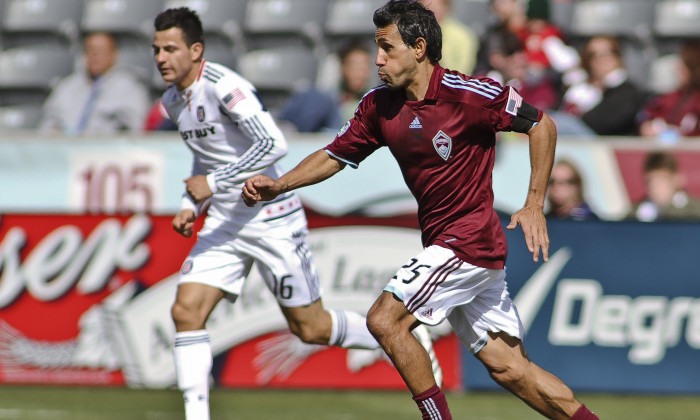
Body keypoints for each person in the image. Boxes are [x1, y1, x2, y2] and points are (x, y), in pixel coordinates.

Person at [243, 2, 598, 419]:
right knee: (511, 369)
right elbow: (334, 155)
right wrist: (280, 184)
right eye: (376, 48)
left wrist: (534, 203)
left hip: (468, 240)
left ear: (418, 47)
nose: (378, 59)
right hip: (452, 245)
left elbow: (542, 125)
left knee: (385, 320)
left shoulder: (469, 95)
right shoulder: (378, 106)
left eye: (386, 48)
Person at [151, 8, 441, 420]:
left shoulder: (224, 87)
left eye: (171, 49)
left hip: (272, 218)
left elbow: (273, 145)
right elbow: (205, 159)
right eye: (156, 50)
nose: (162, 58)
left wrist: (213, 186)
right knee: (186, 311)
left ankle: (404, 337)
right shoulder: (172, 101)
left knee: (311, 328)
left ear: (196, 50)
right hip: (226, 222)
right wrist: (190, 203)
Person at [39, 32, 150, 135]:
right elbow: (49, 124)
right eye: (90, 50)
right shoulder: (66, 87)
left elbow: (134, 128)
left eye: (101, 50)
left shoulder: (130, 88)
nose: (95, 55)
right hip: (65, 150)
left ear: (114, 54)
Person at [552, 36, 646, 137]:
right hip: (574, 137)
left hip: (601, 142)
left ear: (618, 56)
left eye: (607, 53)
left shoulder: (626, 90)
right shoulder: (580, 86)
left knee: (557, 123)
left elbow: (606, 123)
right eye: (593, 54)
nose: (600, 59)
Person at [278, 38, 373, 132]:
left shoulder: (372, 102)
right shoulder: (329, 98)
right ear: (343, 68)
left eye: (364, 68)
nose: (360, 74)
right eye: (354, 67)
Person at [639, 38, 700, 139]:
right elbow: (648, 118)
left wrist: (684, 135)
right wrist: (648, 126)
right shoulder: (670, 97)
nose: (678, 69)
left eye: (683, 65)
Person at [629, 151, 700, 221]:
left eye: (662, 180)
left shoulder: (695, 210)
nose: (655, 188)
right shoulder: (635, 213)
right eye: (650, 182)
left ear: (678, 179)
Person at [419, 0, 478, 75]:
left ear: (446, 7)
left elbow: (463, 71)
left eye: (434, 7)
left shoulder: (463, 36)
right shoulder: (413, 33)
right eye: (425, 8)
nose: (429, 12)